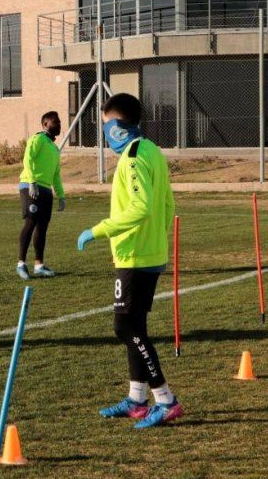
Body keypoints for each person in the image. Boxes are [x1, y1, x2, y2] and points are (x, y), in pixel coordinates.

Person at [77, 93, 181, 429]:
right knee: (136, 326)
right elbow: (167, 206)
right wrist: (158, 239)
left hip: (135, 256)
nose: (105, 133)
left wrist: (98, 230)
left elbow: (142, 208)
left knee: (126, 327)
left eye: (107, 125)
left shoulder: (134, 159)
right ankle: (137, 400)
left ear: (119, 127)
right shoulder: (151, 150)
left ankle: (165, 401)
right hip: (147, 252)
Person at [16, 111, 66, 280]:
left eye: (59, 122)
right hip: (31, 187)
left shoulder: (54, 147)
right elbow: (27, 160)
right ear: (45, 125)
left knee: (42, 228)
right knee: (30, 222)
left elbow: (56, 175)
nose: (58, 125)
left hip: (46, 190)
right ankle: (21, 264)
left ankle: (39, 265)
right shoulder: (37, 139)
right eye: (55, 122)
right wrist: (32, 182)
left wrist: (61, 196)